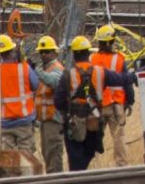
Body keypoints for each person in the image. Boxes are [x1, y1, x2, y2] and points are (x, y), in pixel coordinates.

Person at [53, 36, 136, 171]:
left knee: (76, 163)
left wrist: (69, 109)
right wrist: (134, 76)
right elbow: (121, 79)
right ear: (88, 53)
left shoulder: (67, 75)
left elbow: (57, 102)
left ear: (74, 54)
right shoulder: (100, 72)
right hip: (94, 122)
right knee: (88, 154)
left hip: (74, 124)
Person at [90, 24, 134, 167]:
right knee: (119, 138)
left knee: (94, 138)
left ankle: (92, 167)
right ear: (111, 41)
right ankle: (122, 166)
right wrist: (130, 101)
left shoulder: (92, 59)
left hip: (97, 106)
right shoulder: (119, 59)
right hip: (116, 105)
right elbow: (127, 82)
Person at [0, 33, 40, 155]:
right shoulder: (24, 68)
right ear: (12, 51)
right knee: (26, 158)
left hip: (4, 122)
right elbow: (36, 85)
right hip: (24, 121)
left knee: (7, 158)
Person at [34, 35, 65, 173]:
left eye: (46, 51)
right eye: (41, 52)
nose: (43, 54)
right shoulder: (45, 69)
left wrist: (37, 71)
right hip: (45, 121)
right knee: (48, 156)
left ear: (54, 52)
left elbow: (54, 82)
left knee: (54, 157)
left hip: (54, 120)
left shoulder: (56, 68)